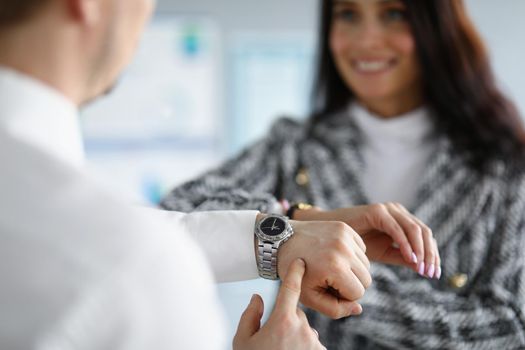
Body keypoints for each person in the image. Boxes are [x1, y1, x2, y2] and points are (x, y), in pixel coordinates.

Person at [0, 0, 440, 349]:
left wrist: (290, 233)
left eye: (393, 15)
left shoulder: (118, 254)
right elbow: (146, 231)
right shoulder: (132, 271)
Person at [161, 0, 525, 348]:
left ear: (439, 26)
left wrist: (342, 275)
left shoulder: (505, 163)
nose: (365, 40)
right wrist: (297, 222)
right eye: (348, 14)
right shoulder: (295, 145)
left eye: (394, 13)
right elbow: (177, 212)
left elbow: (511, 326)